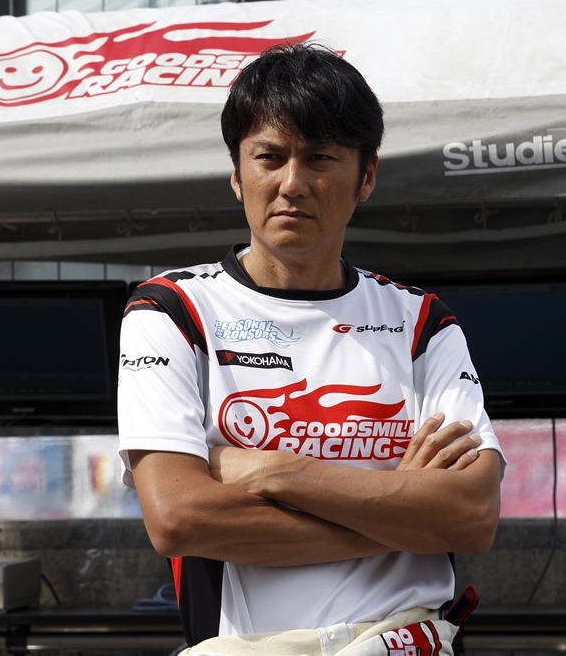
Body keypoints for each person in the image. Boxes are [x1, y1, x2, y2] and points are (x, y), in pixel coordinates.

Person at [117, 43, 504, 650]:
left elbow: (471, 516)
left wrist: (276, 470)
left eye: (320, 157)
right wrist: (403, 520)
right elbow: (179, 519)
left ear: (366, 176)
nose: (292, 184)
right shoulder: (172, 311)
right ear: (236, 173)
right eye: (269, 157)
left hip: (404, 641)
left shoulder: (422, 321)